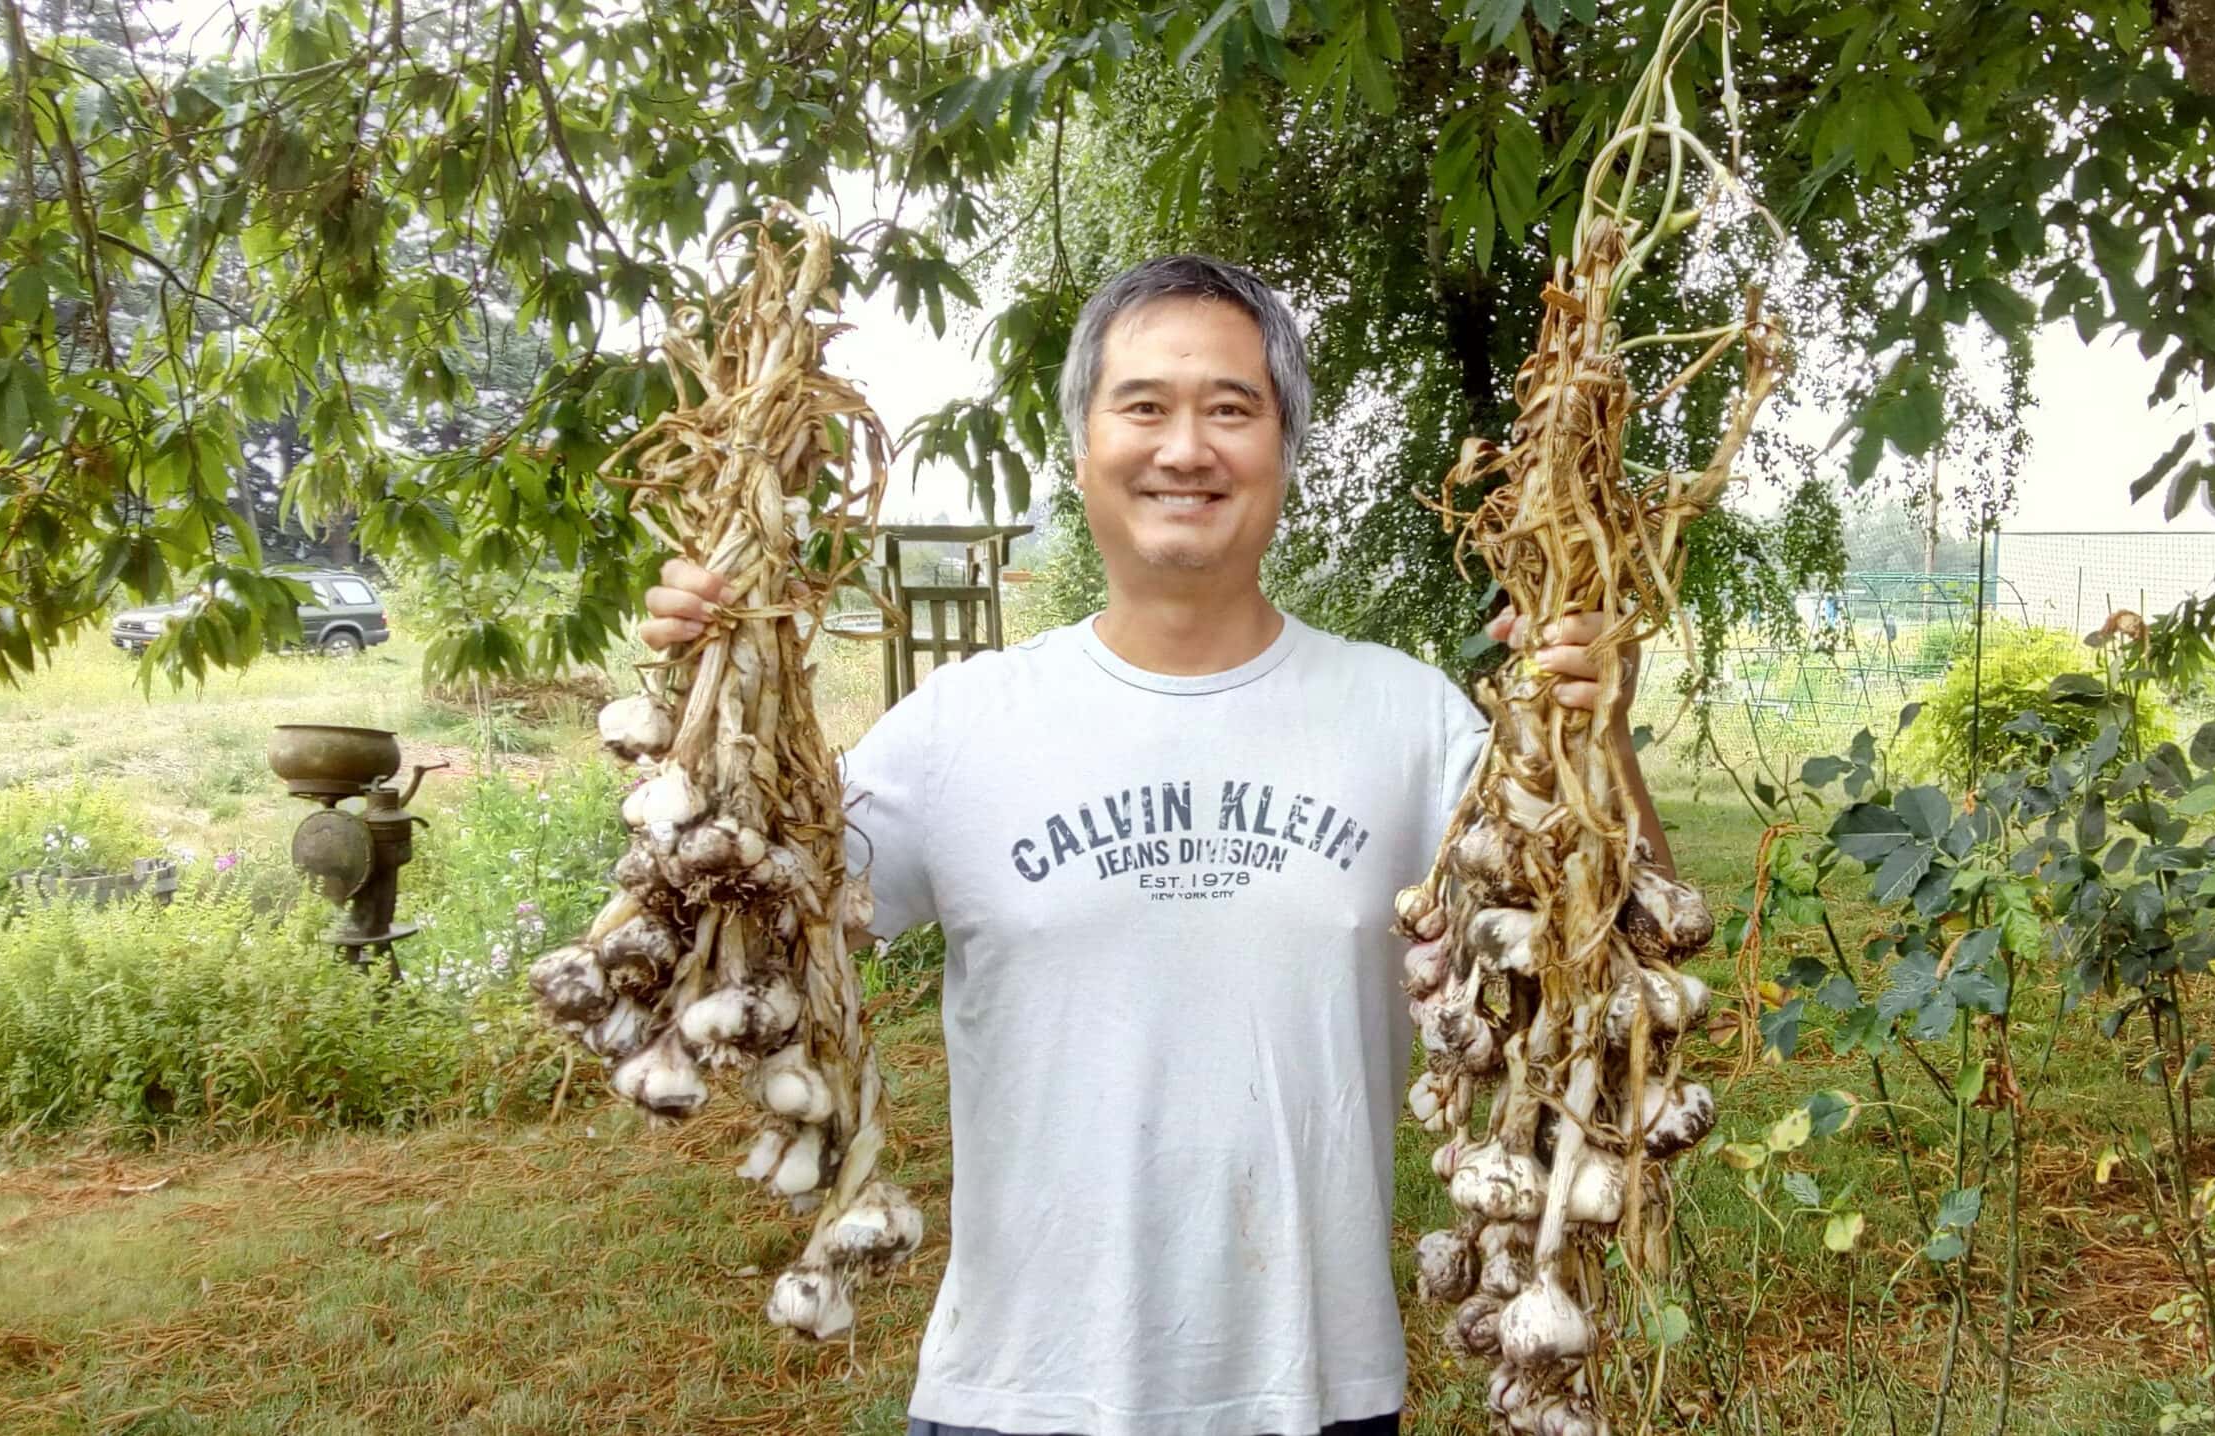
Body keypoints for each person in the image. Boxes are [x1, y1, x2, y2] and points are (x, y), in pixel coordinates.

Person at [639, 255, 1669, 1436]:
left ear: (1285, 448)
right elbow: (740, 940)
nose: (1185, 448)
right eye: (1142, 406)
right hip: (1017, 1396)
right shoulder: (961, 725)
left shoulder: (1407, 718)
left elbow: (1620, 966)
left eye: (1231, 408)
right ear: (1081, 447)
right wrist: (708, 708)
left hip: (1314, 1394)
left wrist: (1599, 736)